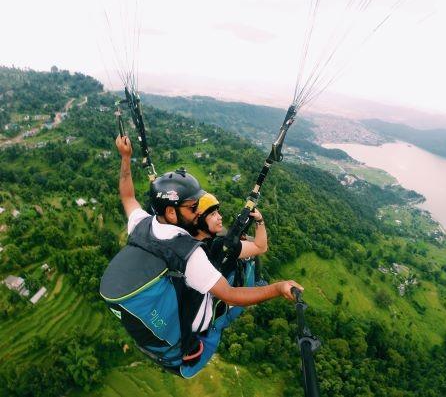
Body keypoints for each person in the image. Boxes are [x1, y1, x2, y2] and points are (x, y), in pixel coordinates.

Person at [100, 135, 303, 378]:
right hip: (197, 324)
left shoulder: (141, 224)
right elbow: (231, 295)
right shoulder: (190, 255)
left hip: (173, 297)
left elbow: (128, 197)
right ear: (171, 213)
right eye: (192, 207)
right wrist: (278, 288)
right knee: (232, 280)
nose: (198, 212)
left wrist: (125, 158)